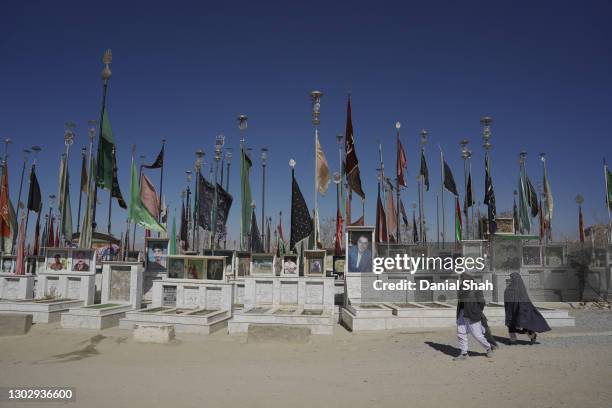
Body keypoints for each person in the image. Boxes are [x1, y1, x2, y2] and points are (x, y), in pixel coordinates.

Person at [454, 274, 494, 360]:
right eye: (461, 279)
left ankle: (488, 348)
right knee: (461, 333)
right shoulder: (461, 287)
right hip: (461, 313)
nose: (461, 280)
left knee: (477, 335)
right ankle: (464, 353)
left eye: (463, 278)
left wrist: (477, 311)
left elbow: (481, 302)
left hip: (472, 313)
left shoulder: (476, 287)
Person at [504, 272, 551, 344]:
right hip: (510, 311)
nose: (511, 280)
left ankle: (532, 336)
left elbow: (525, 300)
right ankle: (513, 339)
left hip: (520, 310)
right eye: (511, 278)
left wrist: (522, 309)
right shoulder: (509, 289)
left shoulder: (521, 289)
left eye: (512, 278)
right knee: (511, 324)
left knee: (525, 325)